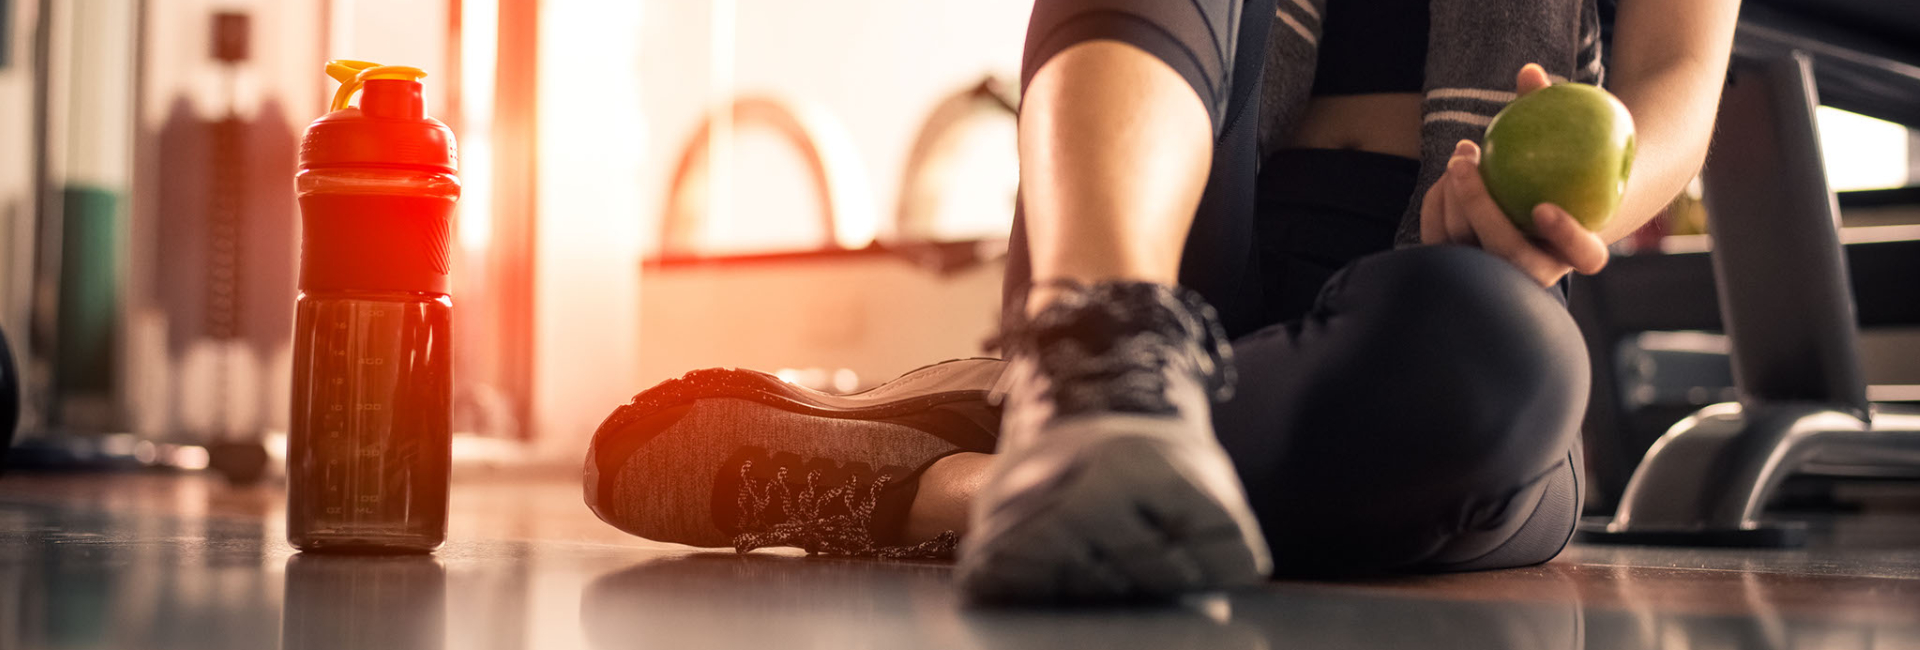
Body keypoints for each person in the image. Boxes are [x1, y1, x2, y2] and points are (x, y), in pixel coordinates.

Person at [582, 0, 1741, 603]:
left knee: (1502, 361)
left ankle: (957, 479)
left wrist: (1558, 212)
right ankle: (1107, 347)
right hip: (1167, 240)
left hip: (1437, 284)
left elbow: (1679, 77)